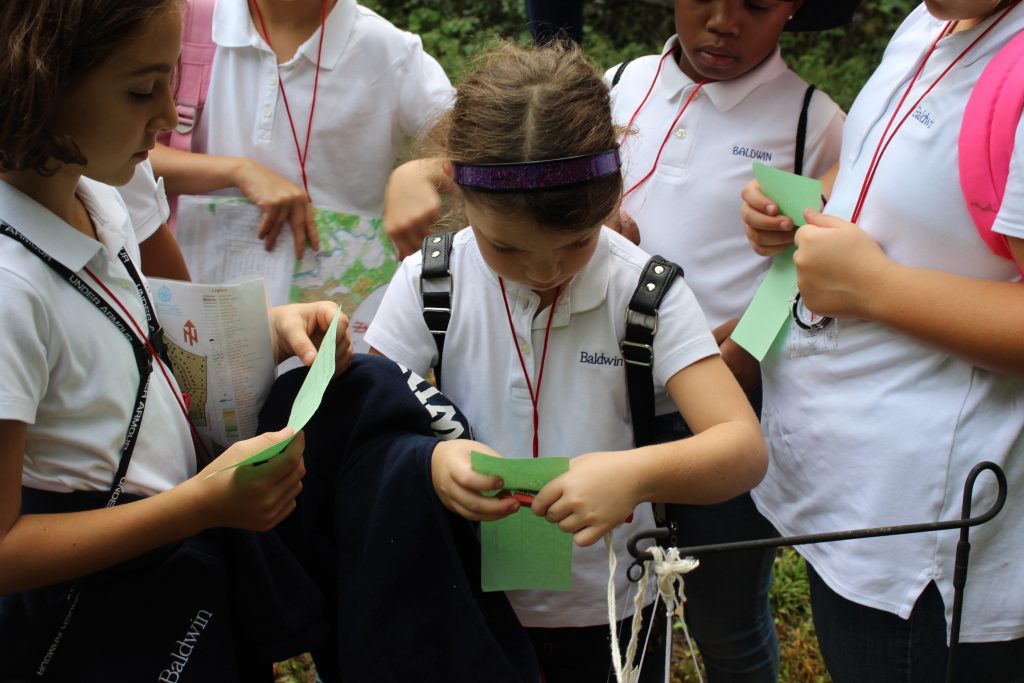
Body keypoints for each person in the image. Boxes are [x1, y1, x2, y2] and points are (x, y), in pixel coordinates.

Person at [365, 41, 768, 682]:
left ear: (611, 197)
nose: (546, 271)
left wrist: (634, 475)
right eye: (508, 248)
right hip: (468, 602)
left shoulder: (645, 293)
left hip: (614, 605)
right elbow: (362, 424)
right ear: (460, 192)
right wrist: (432, 460)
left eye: (577, 242)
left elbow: (742, 448)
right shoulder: (430, 283)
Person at [740, 1, 1024, 681]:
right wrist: (809, 206)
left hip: (920, 546)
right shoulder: (936, 20)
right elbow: (880, 162)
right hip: (853, 502)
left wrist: (877, 289)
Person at [604, 1, 850, 679]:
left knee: (725, 611)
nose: (722, 22)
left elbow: (818, 267)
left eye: (755, 5)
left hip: (726, 404)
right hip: (608, 392)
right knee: (618, 596)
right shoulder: (620, 83)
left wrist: (745, 347)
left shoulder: (813, 121)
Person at [151, 0, 453, 258]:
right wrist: (238, 171)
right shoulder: (181, 20)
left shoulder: (390, 52)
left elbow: (487, 147)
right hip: (189, 303)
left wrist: (420, 173)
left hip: (333, 314)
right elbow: (111, 150)